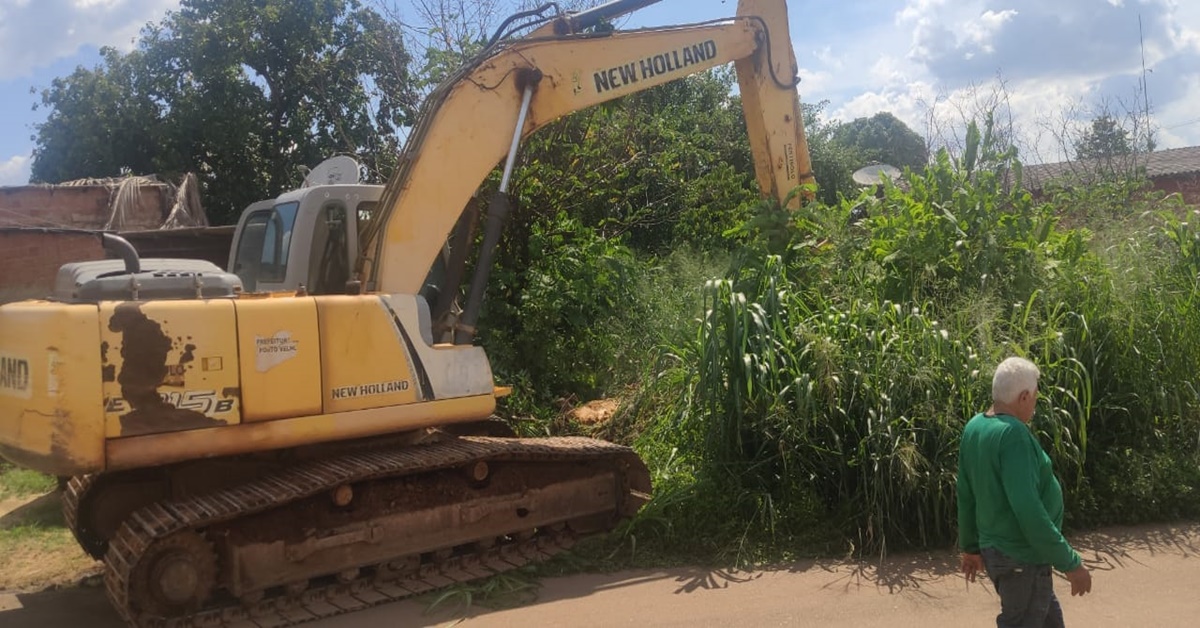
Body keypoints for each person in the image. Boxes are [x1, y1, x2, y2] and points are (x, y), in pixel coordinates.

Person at [956, 356, 1092, 627]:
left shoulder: (975, 427)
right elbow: (1028, 509)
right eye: (1034, 399)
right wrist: (1070, 563)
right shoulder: (1014, 435)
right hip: (1022, 558)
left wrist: (970, 547)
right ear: (1023, 396)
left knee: (1049, 621)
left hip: (1001, 553)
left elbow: (966, 493)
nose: (1034, 405)